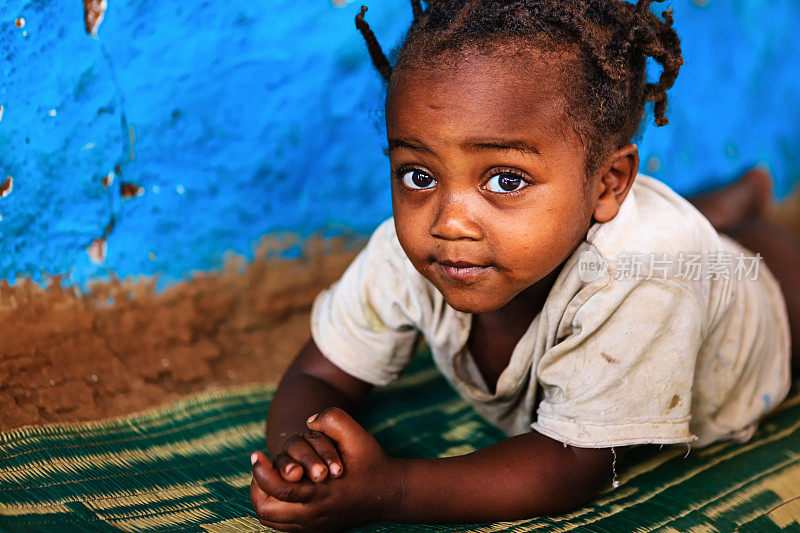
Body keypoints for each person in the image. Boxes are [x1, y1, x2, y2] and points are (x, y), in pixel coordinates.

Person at [249, 1, 800, 530]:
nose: (450, 223)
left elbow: (570, 465)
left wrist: (388, 489)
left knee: (720, 252)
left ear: (609, 183)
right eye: (419, 175)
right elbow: (317, 375)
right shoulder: (407, 252)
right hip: (656, 248)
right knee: (676, 234)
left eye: (505, 180)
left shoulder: (644, 280)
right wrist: (305, 458)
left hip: (776, 296)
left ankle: (735, 208)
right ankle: (732, 201)